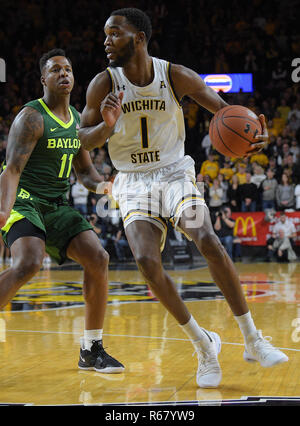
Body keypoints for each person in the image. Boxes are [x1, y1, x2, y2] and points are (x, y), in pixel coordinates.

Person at [78, 8, 288, 388]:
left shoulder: (174, 75)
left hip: (173, 174)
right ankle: (204, 346)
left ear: (139, 37)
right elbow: (81, 141)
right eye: (105, 34)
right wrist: (104, 129)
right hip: (133, 182)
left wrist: (256, 132)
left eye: (115, 33)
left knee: (206, 238)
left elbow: (227, 113)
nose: (106, 41)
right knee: (145, 261)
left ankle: (253, 339)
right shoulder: (101, 84)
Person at [0, 49, 124, 374]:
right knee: (28, 262)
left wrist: (106, 187)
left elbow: (85, 173)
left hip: (57, 205)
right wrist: (3, 209)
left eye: (68, 69)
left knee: (98, 258)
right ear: (44, 79)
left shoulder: (75, 120)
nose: (64, 74)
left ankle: (91, 349)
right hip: (25, 199)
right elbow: (11, 170)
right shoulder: (31, 117)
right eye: (56, 70)